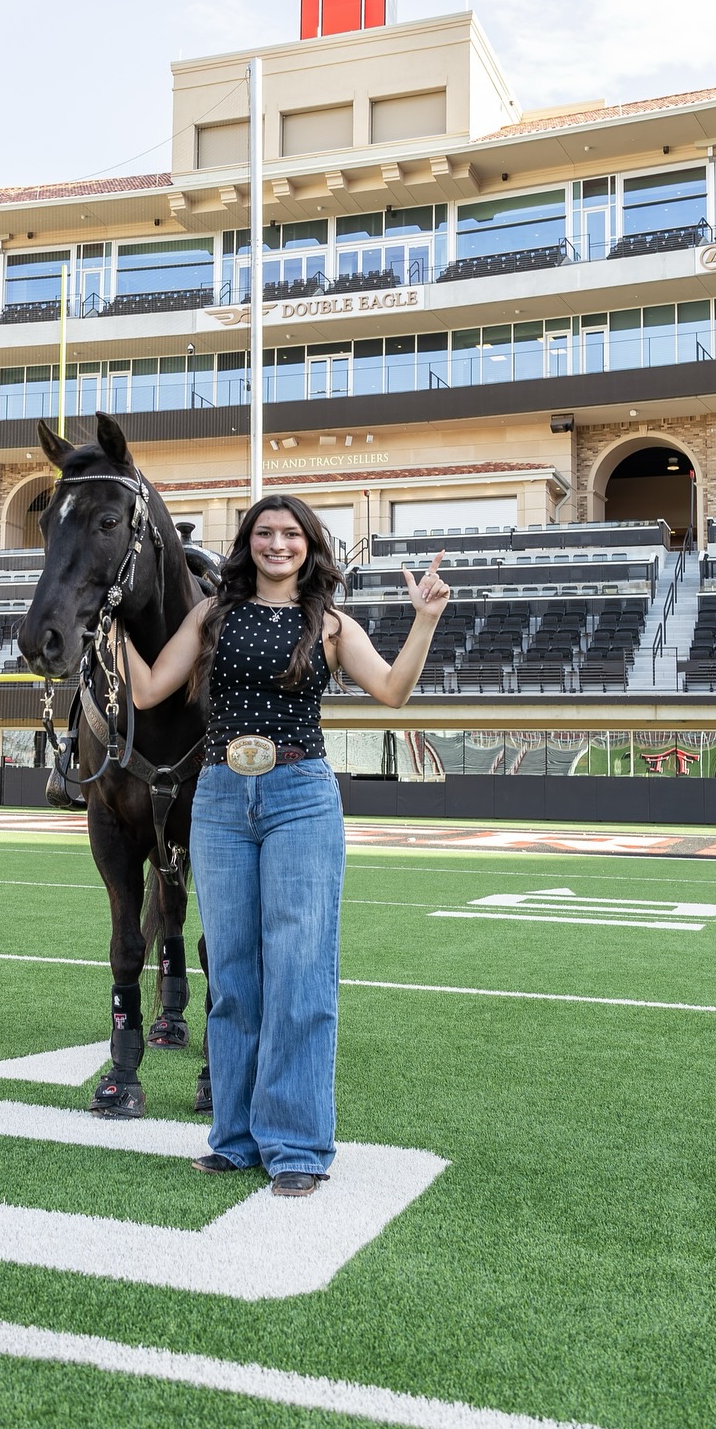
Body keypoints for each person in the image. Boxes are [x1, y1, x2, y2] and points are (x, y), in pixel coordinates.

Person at [122, 494, 450, 1198]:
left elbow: (392, 691)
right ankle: (236, 1139)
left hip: (299, 794)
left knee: (300, 971)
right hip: (217, 798)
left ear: (310, 546)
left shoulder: (329, 624)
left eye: (291, 534)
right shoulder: (211, 615)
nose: (277, 544)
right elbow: (149, 691)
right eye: (265, 533)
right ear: (248, 543)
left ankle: (297, 1144)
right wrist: (111, 621)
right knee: (234, 975)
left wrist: (424, 621)